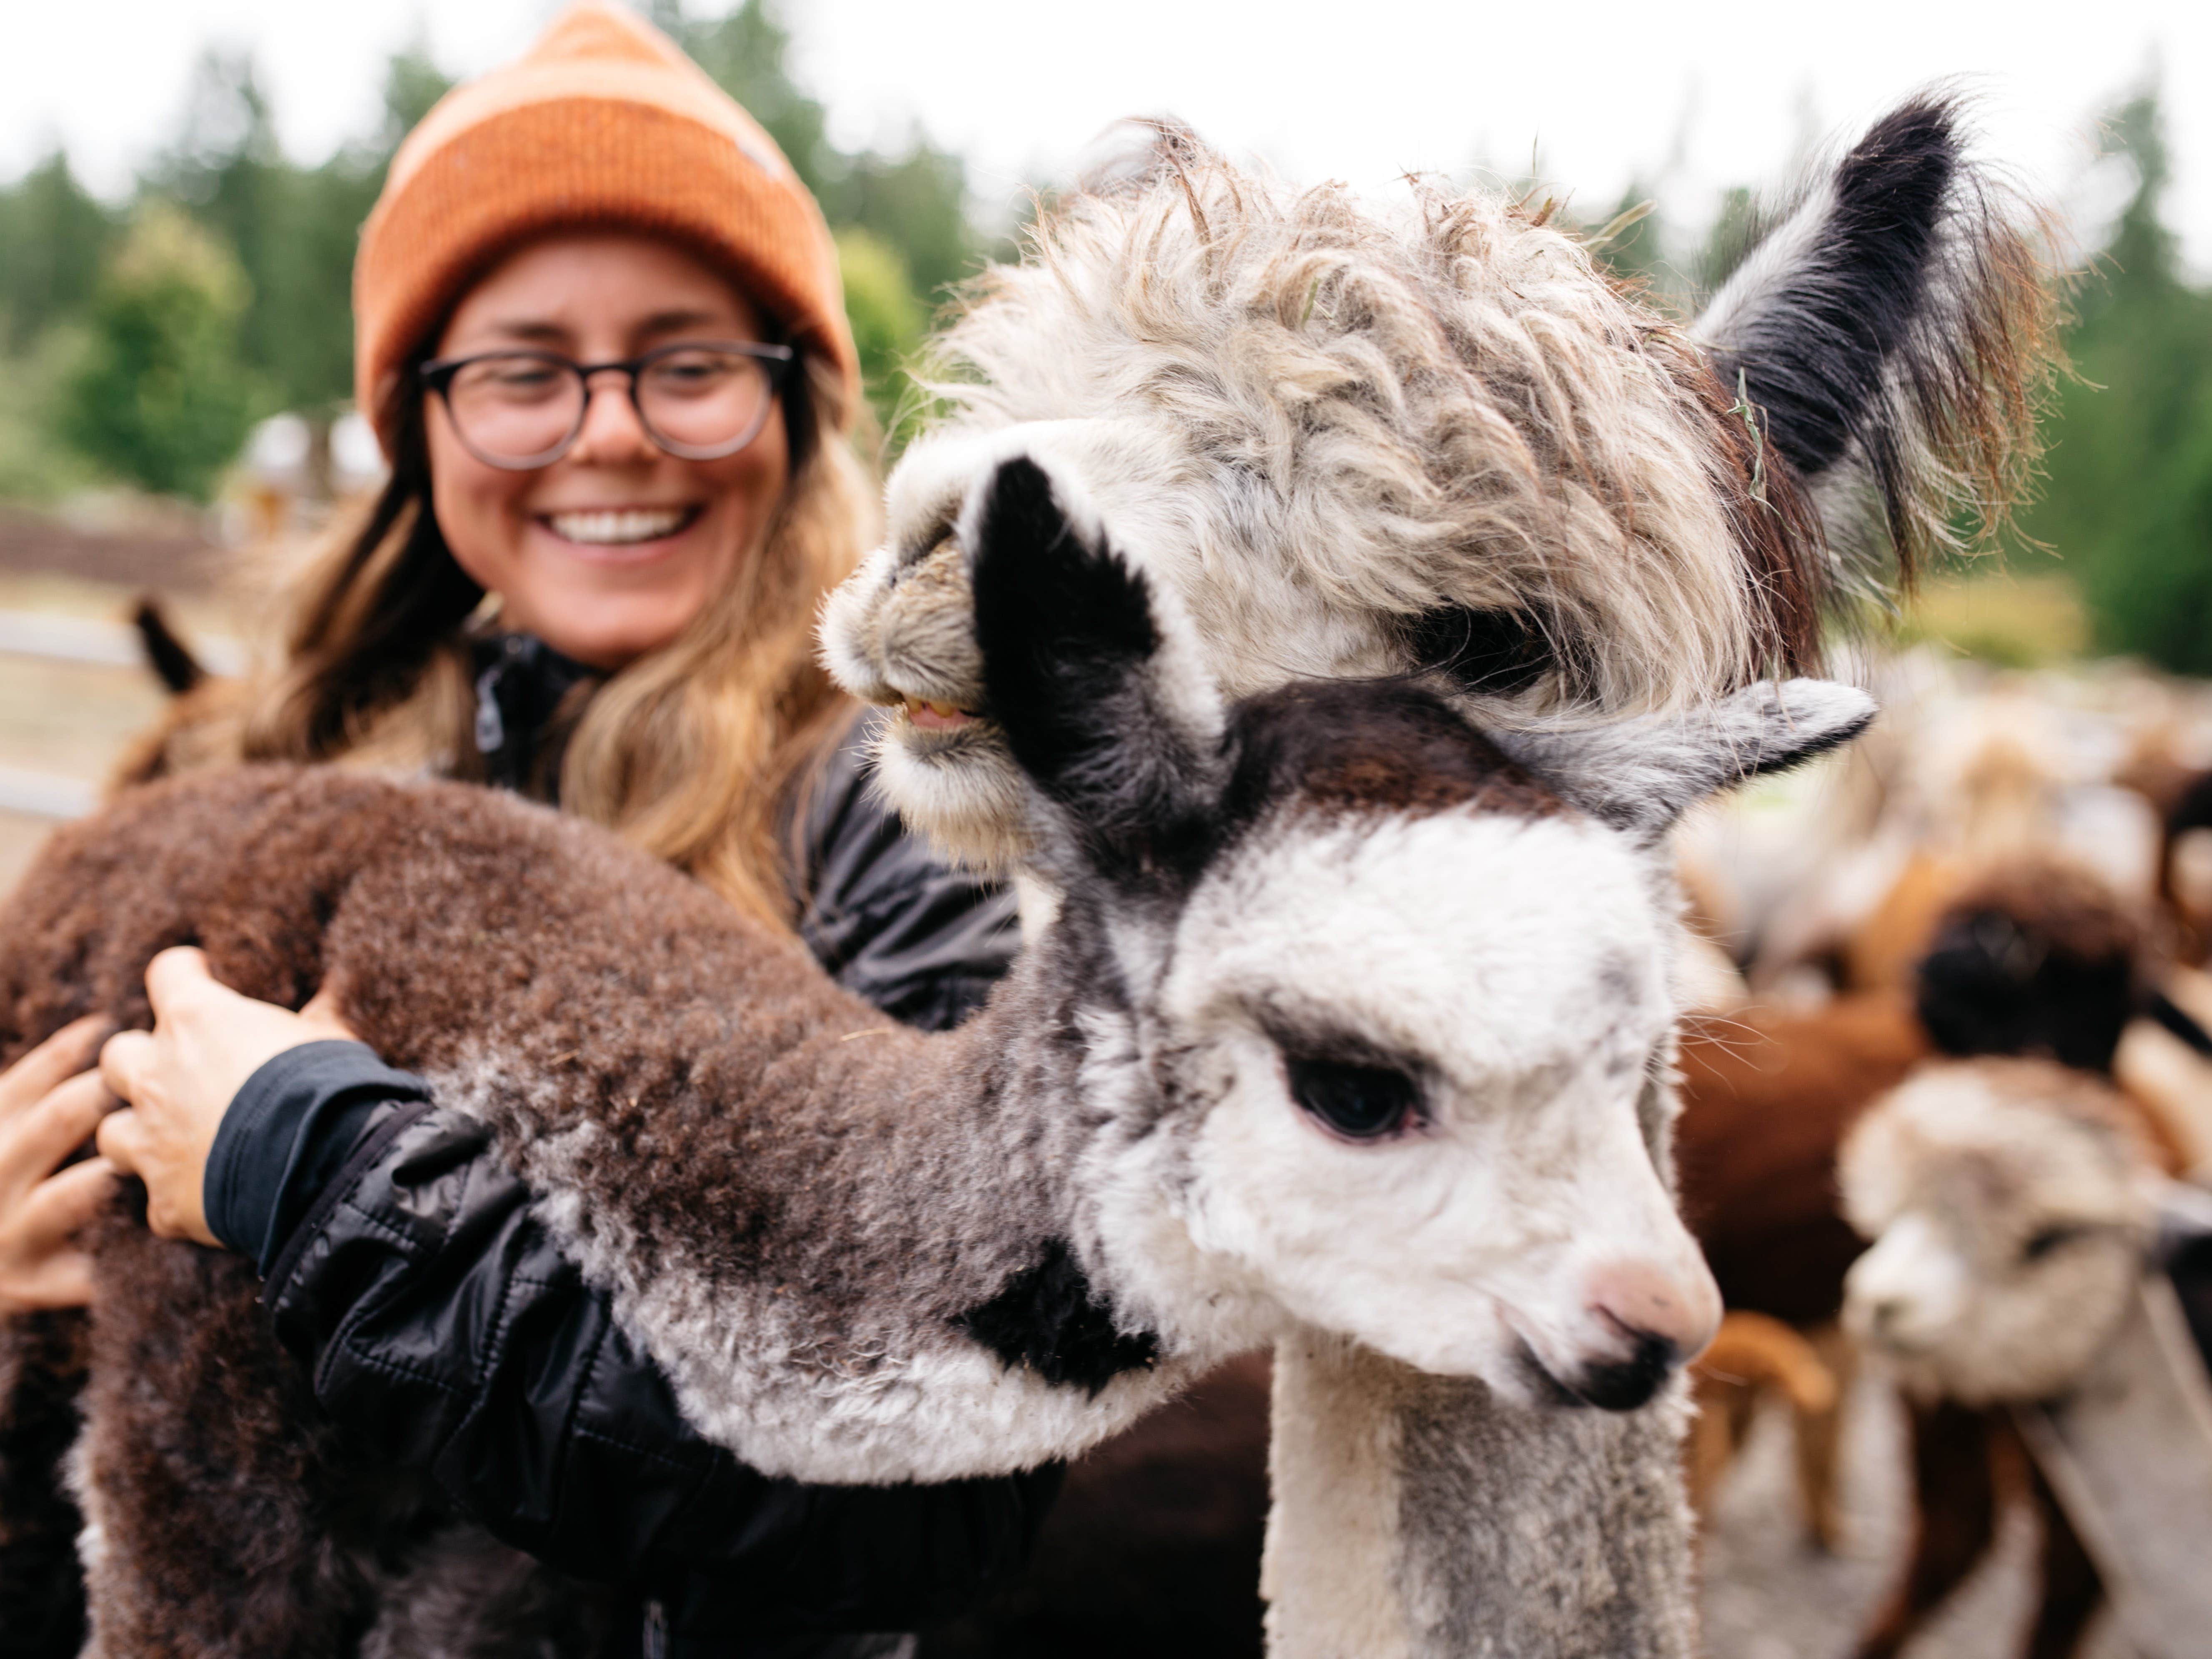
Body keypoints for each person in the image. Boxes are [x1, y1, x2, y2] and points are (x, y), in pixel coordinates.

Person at [0, 8, 1055, 1656]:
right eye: (523, 369)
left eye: (687, 360)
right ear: (421, 416)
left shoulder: (908, 815)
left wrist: (317, 1165)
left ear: (794, 397)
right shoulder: (264, 776)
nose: (614, 428)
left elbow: (929, 1467)